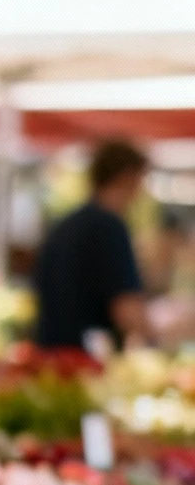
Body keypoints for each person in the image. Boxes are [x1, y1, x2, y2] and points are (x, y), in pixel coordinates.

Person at [34, 139, 151, 352]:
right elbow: (126, 308)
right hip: (86, 360)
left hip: (50, 353)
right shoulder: (110, 227)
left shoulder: (65, 225)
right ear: (127, 177)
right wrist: (155, 338)